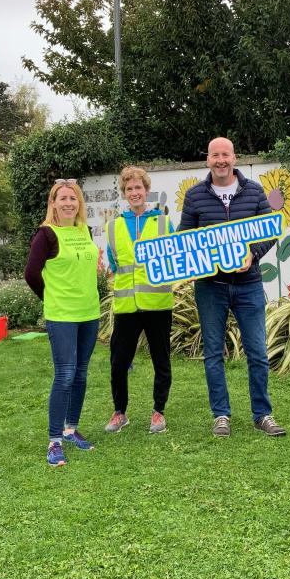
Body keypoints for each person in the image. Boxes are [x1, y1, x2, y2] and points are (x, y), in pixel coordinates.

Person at [178, 137, 285, 437]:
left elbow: (270, 230)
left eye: (225, 154)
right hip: (210, 287)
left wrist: (253, 254)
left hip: (248, 284)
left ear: (234, 158)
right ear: (207, 159)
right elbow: (184, 236)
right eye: (215, 155)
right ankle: (221, 415)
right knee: (213, 353)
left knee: (258, 352)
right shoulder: (195, 195)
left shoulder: (253, 191)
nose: (220, 160)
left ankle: (262, 414)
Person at [25, 178, 100, 466]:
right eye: (63, 198)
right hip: (62, 316)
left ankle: (71, 428)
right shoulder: (46, 234)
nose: (69, 203)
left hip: (89, 312)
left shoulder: (85, 231)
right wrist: (51, 297)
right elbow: (32, 273)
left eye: (74, 198)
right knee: (65, 374)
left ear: (79, 203)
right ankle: (54, 439)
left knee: (81, 374)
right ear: (53, 203)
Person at [104, 166, 174, 434]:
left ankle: (158, 411)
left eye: (138, 188)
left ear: (146, 190)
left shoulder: (164, 223)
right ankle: (119, 412)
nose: (134, 192)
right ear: (124, 193)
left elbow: (175, 259)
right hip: (125, 306)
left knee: (161, 359)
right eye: (129, 189)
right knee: (119, 361)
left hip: (157, 304)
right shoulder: (113, 227)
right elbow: (114, 264)